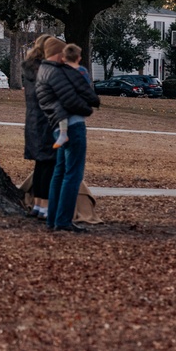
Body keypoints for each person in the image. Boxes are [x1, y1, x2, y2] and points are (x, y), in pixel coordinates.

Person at [36, 38, 100, 233]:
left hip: (59, 126)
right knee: (72, 174)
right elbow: (70, 99)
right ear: (57, 53)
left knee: (59, 173)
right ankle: (63, 221)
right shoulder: (57, 72)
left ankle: (53, 219)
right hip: (73, 126)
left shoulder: (44, 71)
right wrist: (88, 108)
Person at [23, 34, 55, 219]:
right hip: (46, 122)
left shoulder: (30, 68)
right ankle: (44, 207)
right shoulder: (45, 70)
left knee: (40, 165)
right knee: (48, 165)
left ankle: (37, 206)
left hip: (33, 120)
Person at [53, 44, 90, 149]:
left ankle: (63, 133)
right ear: (79, 58)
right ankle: (63, 134)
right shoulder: (82, 71)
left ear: (64, 57)